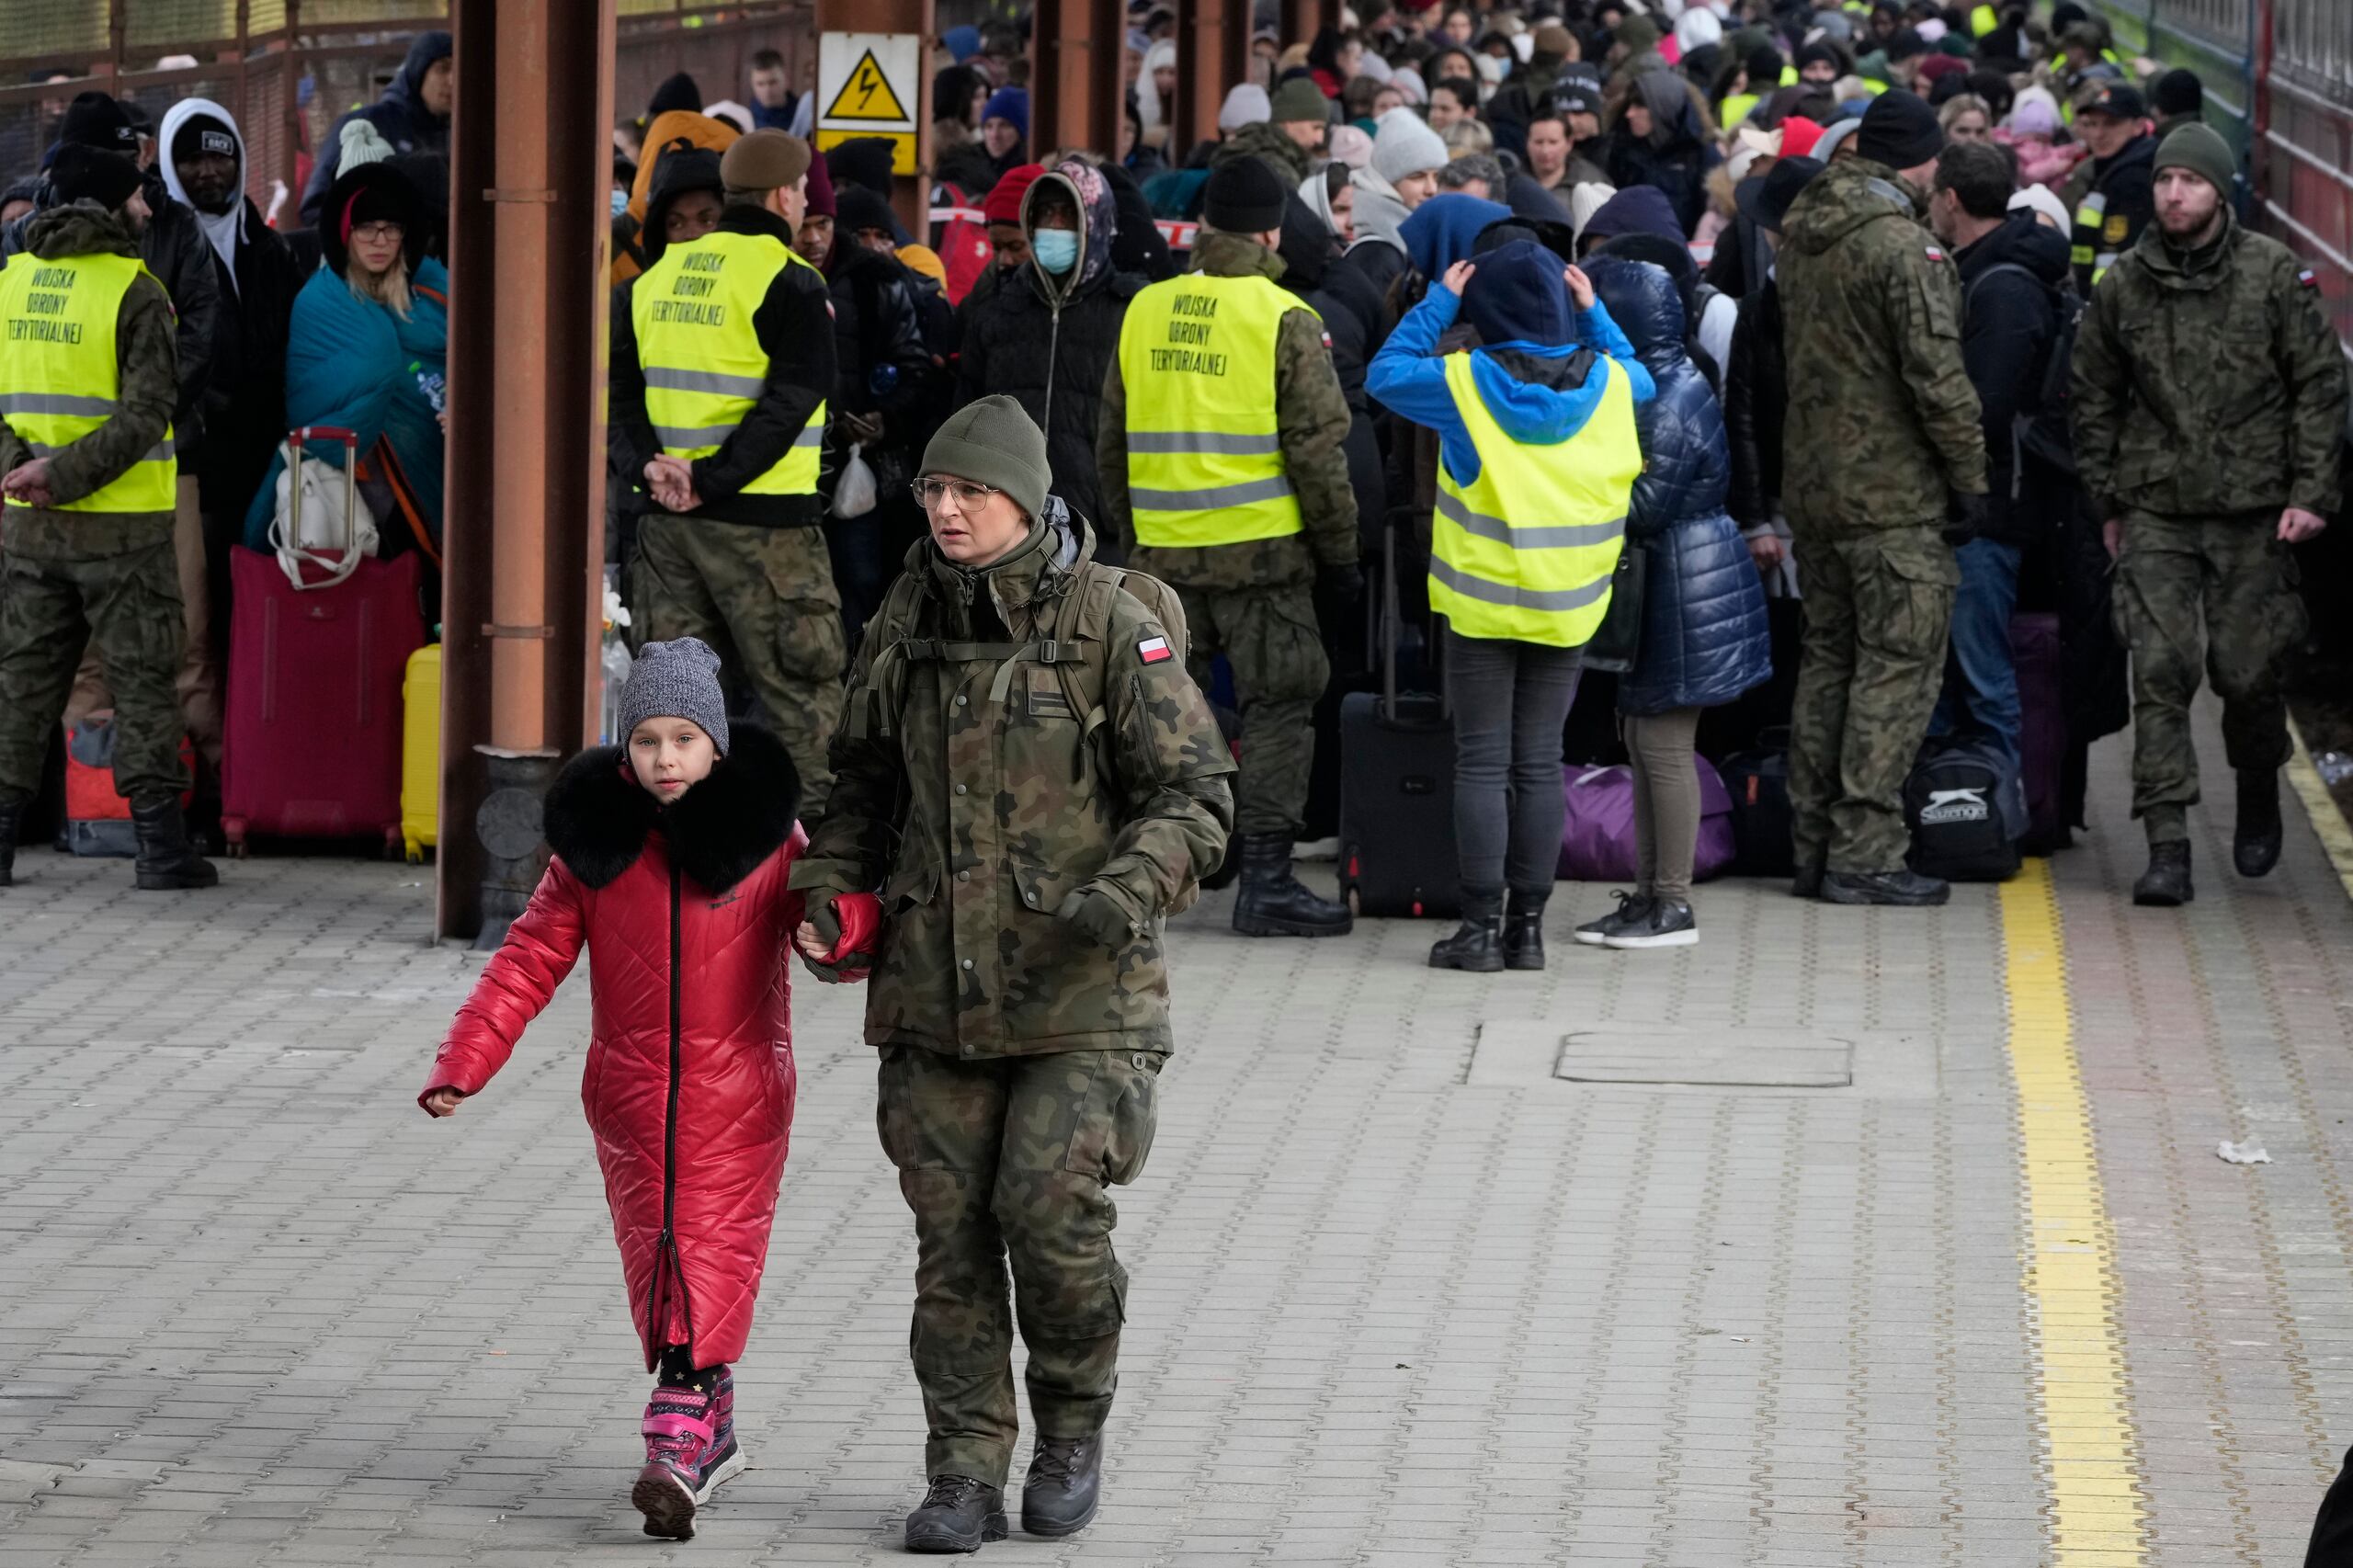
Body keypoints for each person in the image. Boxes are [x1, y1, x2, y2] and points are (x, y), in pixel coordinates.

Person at [789, 397, 1233, 1552]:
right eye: (932, 490)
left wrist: (1128, 887)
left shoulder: (1108, 625)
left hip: (1084, 993)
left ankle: (1072, 1428)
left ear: (1025, 502)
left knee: (1048, 1216)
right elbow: (859, 786)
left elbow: (1195, 796)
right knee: (949, 1240)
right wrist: (827, 892)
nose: (943, 509)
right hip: (935, 991)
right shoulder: (907, 616)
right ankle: (961, 1470)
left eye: (968, 492)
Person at [420, 638, 809, 1542]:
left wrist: (845, 933)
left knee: (708, 1245)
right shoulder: (595, 850)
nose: (665, 758)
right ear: (623, 747)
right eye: (646, 741)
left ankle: (676, 1429)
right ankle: (706, 1417)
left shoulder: (766, 839)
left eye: (683, 738)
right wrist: (462, 1061)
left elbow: (834, 920)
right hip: (630, 1101)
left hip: (740, 1094)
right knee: (660, 1252)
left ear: (716, 743)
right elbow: (525, 960)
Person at [2069, 122, 2348, 906]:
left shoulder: (2270, 274)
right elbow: (2091, 396)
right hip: (2156, 506)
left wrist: (2309, 492)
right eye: (2163, 181)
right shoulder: (2124, 284)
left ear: (2217, 191)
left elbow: (2320, 386)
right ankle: (2167, 843)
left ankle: (2257, 779)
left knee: (2246, 672)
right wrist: (2108, 502)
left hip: (2253, 509)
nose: (2172, 194)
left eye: (2189, 182)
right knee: (2158, 670)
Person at [1367, 242, 1650, 969]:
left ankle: (1480, 932)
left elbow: (1383, 375)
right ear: (1562, 303)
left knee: (1483, 765)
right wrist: (1597, 318)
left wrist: (1438, 306)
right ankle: (1528, 933)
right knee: (1539, 762)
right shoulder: (1614, 384)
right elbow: (1643, 378)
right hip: (1567, 608)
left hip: (1483, 609)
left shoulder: (1462, 386)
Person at [1097, 157, 1359, 938]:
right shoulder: (1282, 316)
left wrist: (1129, 537)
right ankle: (1268, 881)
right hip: (1262, 560)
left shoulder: (1146, 308)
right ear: (1272, 230)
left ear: (1205, 225)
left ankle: (1158, 871)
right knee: (1279, 705)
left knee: (1163, 715)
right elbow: (1318, 451)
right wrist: (1341, 555)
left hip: (1160, 562)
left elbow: (1109, 440)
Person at [1778, 91, 1987, 906]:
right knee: (1895, 671)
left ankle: (1811, 844)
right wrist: (1971, 478)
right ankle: (1865, 854)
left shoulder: (1802, 230)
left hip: (1816, 490)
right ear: (1918, 158)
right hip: (1893, 495)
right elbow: (1938, 381)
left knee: (1828, 660)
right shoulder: (1905, 249)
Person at [0, 145, 213, 892]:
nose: (148, 208)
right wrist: (64, 477)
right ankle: (161, 850)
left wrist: (23, 474)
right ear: (108, 204)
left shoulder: (14, 279)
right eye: (137, 196)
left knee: (21, 683)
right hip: (122, 530)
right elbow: (150, 411)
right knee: (145, 681)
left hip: (28, 528)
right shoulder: (136, 288)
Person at [608, 130, 845, 799]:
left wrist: (647, 468)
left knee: (673, 727)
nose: (803, 203)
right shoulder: (791, 280)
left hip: (667, 534)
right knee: (804, 717)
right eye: (801, 190)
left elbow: (617, 394)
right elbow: (796, 398)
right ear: (781, 195)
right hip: (768, 538)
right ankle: (812, 890)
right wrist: (712, 480)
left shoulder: (653, 281)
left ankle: (679, 882)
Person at [1583, 256, 1772, 949]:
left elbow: (1646, 504)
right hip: (1673, 584)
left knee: (1663, 744)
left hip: (1682, 588)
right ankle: (1647, 896)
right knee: (1642, 738)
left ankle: (1672, 903)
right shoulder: (1659, 381)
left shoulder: (1663, 396)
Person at [1925, 139, 2069, 770]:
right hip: (1981, 504)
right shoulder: (1986, 268)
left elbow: (1985, 405)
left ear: (1950, 199)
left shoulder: (2001, 286)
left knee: (1983, 675)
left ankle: (2000, 808)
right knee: (1960, 675)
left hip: (1989, 509)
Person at [156, 96, 301, 676]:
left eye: (221, 157)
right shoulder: (156, 246)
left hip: (268, 469)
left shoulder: (270, 249)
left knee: (256, 612)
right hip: (194, 471)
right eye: (190, 160)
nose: (209, 171)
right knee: (199, 621)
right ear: (168, 166)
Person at [243, 160, 449, 564]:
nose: (379, 240)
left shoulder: (435, 298)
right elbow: (312, 395)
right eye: (366, 228)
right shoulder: (320, 303)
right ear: (346, 233)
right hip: (344, 474)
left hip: (428, 456)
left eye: (391, 228)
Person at [959, 160, 1140, 544]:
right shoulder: (1000, 310)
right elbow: (968, 416)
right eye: (1045, 215)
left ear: (1094, 223)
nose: (1053, 228)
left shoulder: (1130, 312)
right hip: (1009, 524)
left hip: (1099, 529)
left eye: (1066, 215)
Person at [1724, 155, 1824, 590]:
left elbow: (1743, 415)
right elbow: (1742, 415)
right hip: (1784, 506)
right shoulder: (1757, 310)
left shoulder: (1844, 298)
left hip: (1836, 503)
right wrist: (1755, 519)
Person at [300, 30, 452, 225]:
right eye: (443, 68)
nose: (452, 80)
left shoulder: (454, 136)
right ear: (418, 71)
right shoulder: (364, 124)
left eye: (459, 70)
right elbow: (315, 208)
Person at [2060, 83, 2155, 294]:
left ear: (2138, 126)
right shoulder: (2111, 168)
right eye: (2092, 124)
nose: (2098, 134)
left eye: (2111, 123)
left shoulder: (2133, 180)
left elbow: (2120, 256)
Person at [1605, 71, 1716, 237]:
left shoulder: (1701, 155)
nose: (1629, 114)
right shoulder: (1621, 148)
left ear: (1662, 108)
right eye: (1630, 105)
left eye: (1639, 106)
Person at [747, 47, 795, 130]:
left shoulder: (803, 115)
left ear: (787, 79)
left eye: (773, 82)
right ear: (752, 84)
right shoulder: (746, 121)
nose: (767, 90)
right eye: (760, 84)